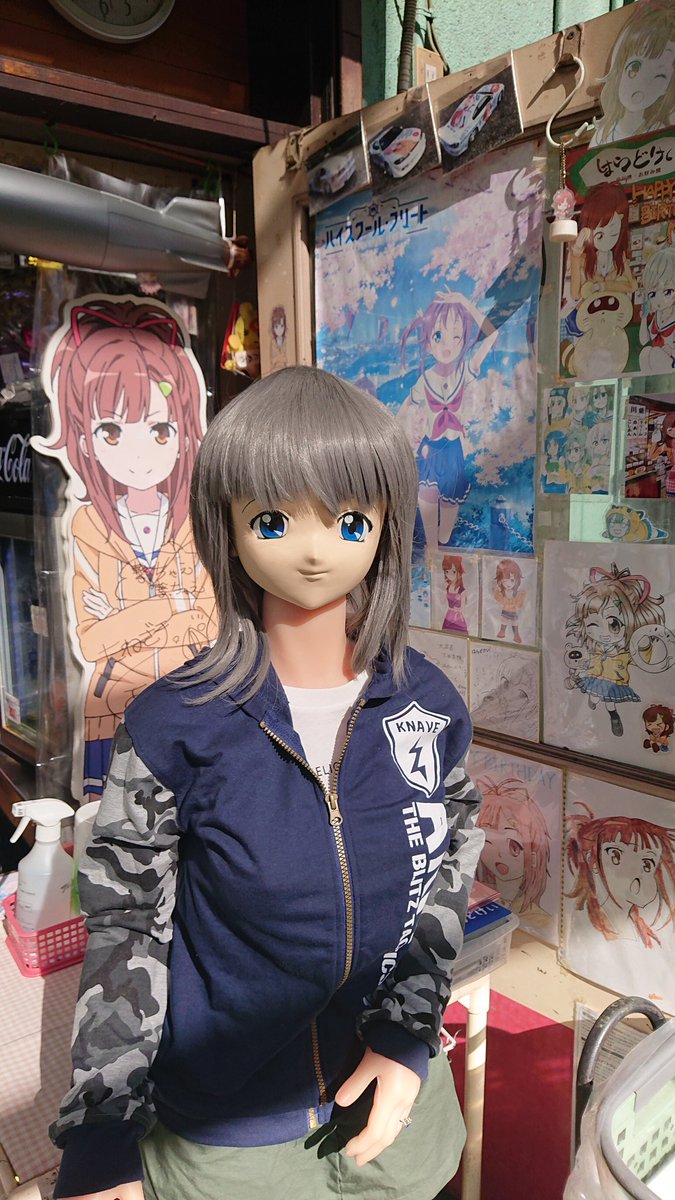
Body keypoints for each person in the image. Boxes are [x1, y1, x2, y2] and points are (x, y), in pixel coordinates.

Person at [51, 366, 483, 1200]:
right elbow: (127, 923)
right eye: (273, 520)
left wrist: (408, 1032)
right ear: (228, 526)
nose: (315, 550)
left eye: (350, 520)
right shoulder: (175, 726)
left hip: (393, 1113)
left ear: (386, 527)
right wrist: (102, 1131)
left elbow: (448, 860)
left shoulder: (425, 704)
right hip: (231, 1136)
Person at [36, 296, 217, 798]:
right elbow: (94, 641)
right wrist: (169, 607)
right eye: (112, 431)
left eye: (159, 430)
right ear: (85, 441)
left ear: (185, 434)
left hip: (192, 701)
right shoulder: (87, 527)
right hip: (116, 710)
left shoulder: (198, 521)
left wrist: (128, 622)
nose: (139, 454)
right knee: (117, 834)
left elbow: (210, 624)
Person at [397, 290, 497, 551]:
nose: (447, 345)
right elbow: (405, 408)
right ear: (429, 342)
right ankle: (432, 551)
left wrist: (465, 302)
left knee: (445, 532)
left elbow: (492, 334)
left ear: (464, 341)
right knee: (430, 521)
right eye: (439, 336)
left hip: (453, 451)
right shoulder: (425, 379)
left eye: (456, 336)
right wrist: (393, 439)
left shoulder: (464, 371)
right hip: (430, 449)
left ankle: (441, 546)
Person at [564, 562, 667, 737]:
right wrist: (576, 674)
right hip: (594, 678)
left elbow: (642, 659)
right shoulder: (593, 647)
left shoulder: (624, 652)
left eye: (614, 624)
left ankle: (614, 716)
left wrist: (643, 643)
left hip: (614, 682)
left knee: (609, 703)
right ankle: (592, 703)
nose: (603, 633)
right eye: (593, 624)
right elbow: (582, 660)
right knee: (594, 696)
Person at [566, 803, 675, 948]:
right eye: (615, 856)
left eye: (647, 863)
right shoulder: (583, 928)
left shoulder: (638, 928)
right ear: (592, 860)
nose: (635, 872)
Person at [590, 1, 675, 146]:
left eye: (659, 77)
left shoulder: (661, 134)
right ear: (619, 71)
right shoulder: (603, 135)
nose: (643, 83)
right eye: (634, 68)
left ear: (666, 89)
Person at [475, 775, 551, 926]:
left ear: (534, 855)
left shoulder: (538, 918)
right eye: (488, 842)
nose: (499, 855)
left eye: (513, 846)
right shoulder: (476, 897)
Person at [639, 245, 675, 374]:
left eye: (667, 292)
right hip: (658, 364)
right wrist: (644, 318)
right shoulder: (657, 316)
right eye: (653, 294)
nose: (659, 300)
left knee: (655, 354)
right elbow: (644, 340)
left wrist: (671, 351)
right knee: (645, 353)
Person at [492, 558, 526, 643]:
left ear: (516, 580)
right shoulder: (502, 593)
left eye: (512, 580)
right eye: (504, 580)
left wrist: (518, 601)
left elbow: (519, 603)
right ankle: (502, 631)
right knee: (504, 620)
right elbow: (499, 599)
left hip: (513, 611)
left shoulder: (517, 593)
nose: (508, 584)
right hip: (505, 610)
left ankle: (516, 635)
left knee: (515, 622)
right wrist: (495, 590)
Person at [441, 554, 468, 634]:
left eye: (453, 572)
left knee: (459, 633)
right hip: (449, 615)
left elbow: (463, 606)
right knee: (447, 633)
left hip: (457, 617)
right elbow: (443, 601)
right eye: (447, 572)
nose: (449, 575)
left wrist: (458, 609)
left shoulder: (461, 590)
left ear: (459, 572)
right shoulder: (447, 588)